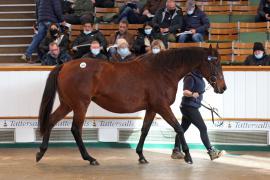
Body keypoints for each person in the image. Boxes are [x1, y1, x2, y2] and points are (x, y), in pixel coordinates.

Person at [171, 70, 224, 162]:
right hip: (189, 107)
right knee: (203, 128)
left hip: (191, 106)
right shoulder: (190, 77)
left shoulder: (199, 77)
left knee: (182, 129)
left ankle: (176, 150)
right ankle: (212, 152)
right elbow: (185, 92)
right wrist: (192, 94)